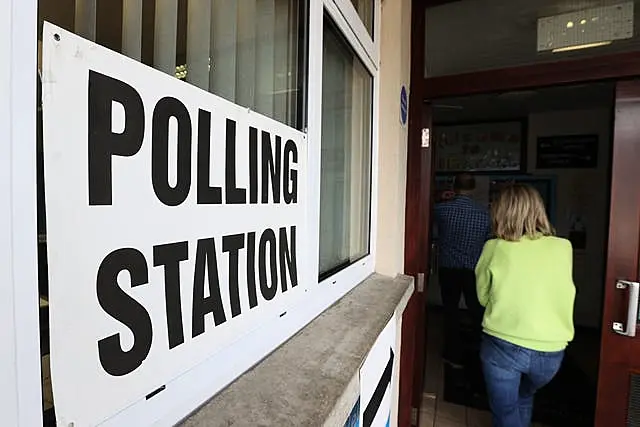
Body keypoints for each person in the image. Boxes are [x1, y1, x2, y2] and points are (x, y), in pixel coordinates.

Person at [475, 184, 576, 427]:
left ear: (500, 213)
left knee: (506, 412)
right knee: (525, 395)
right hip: (551, 353)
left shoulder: (495, 247)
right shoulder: (564, 247)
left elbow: (482, 296)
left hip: (503, 345)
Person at [433, 173, 491, 370]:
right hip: (474, 269)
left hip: (449, 268)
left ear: (454, 186)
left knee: (451, 311)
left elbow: (430, 220)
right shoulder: (484, 214)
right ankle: (479, 351)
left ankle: (453, 354)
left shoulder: (442, 209)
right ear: (473, 188)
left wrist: (440, 198)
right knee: (477, 311)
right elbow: (487, 242)